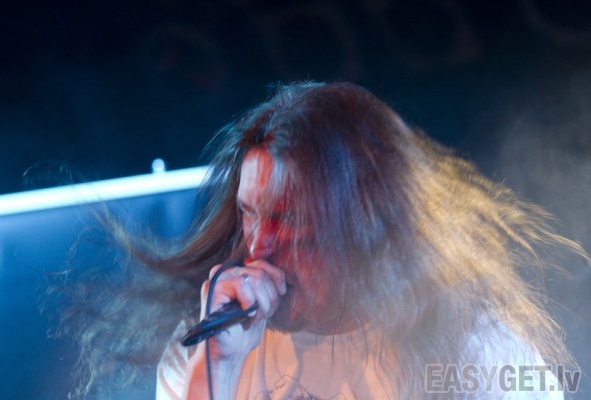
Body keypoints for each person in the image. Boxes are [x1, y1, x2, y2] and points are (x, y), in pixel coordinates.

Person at [53, 81, 583, 399]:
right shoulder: (210, 346)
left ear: (367, 228)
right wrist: (216, 369)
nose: (259, 248)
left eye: (291, 222)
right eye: (249, 214)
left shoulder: (478, 351)